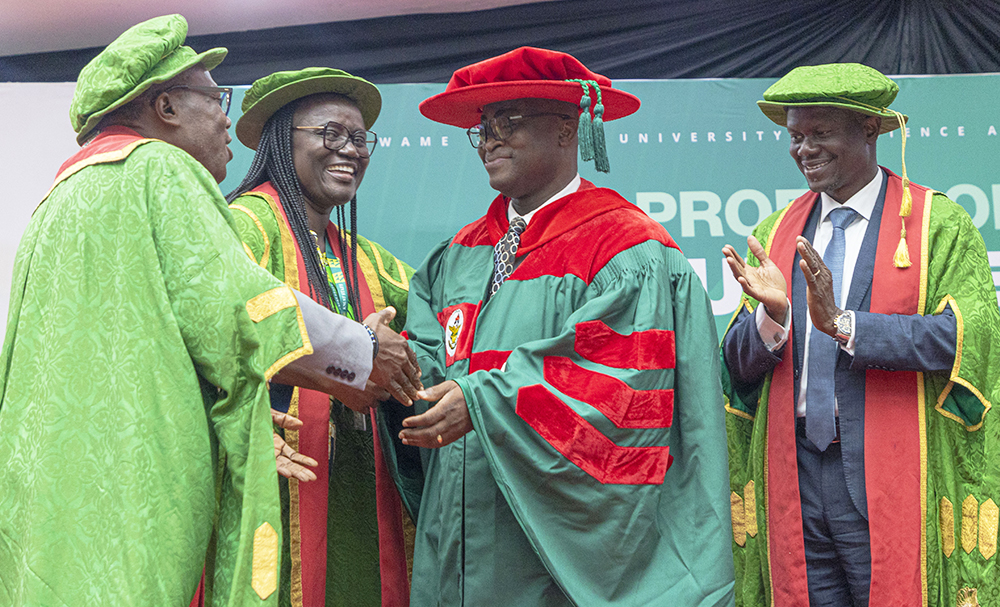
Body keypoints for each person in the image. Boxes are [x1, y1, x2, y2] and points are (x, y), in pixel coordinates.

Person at [0, 15, 420, 607]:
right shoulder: (157, 169)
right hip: (144, 468)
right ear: (166, 107)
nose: (227, 117)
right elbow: (240, 308)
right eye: (215, 98)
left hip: (64, 475)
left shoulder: (59, 197)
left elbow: (151, 341)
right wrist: (365, 355)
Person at [381, 46, 735, 606]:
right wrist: (393, 366)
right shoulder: (459, 254)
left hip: (554, 555)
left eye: (509, 122)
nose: (490, 140)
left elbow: (617, 394)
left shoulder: (624, 249)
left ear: (569, 129)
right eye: (483, 128)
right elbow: (432, 358)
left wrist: (481, 401)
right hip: (457, 539)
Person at [721, 63, 1000, 607]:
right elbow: (734, 366)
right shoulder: (774, 232)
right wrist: (774, 317)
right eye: (796, 137)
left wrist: (843, 325)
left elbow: (965, 337)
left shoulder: (936, 224)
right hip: (795, 471)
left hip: (894, 468)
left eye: (820, 133)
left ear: (869, 129)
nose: (805, 150)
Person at [226, 68, 413, 607]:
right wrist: (360, 350)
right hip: (274, 470)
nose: (349, 150)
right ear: (282, 141)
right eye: (330, 134)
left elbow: (435, 320)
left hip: (354, 481)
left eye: (359, 139)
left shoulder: (364, 257)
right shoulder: (244, 227)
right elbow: (222, 327)